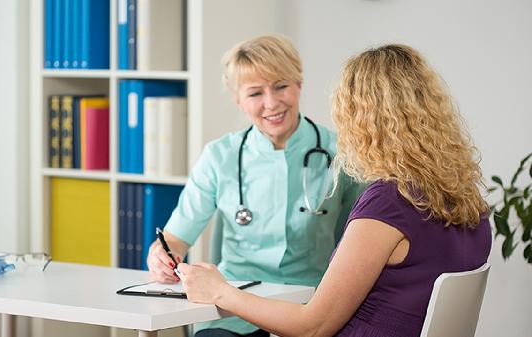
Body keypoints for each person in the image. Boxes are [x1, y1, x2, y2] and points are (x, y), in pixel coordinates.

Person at [178, 44, 492, 337]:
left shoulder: (388, 203)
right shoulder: (467, 198)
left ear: (363, 120)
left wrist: (220, 291)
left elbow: (314, 326)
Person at [146, 34, 364, 337]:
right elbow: (175, 238)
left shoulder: (341, 153)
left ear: (298, 83)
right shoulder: (219, 156)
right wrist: (161, 256)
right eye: (255, 93)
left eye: (281, 86)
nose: (271, 103)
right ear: (238, 100)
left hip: (310, 305)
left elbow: (359, 239)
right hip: (233, 308)